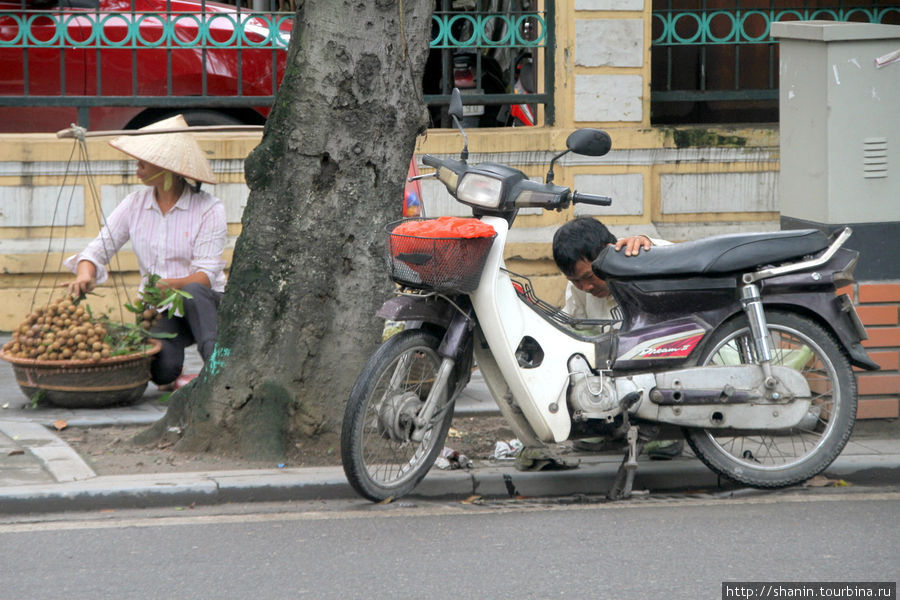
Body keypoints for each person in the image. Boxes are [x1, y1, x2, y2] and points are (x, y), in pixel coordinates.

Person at [64, 114, 227, 389]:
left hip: (207, 306)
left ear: (167, 168)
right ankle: (179, 375)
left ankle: (219, 372)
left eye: (144, 161)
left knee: (195, 294)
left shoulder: (209, 209)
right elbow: (98, 249)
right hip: (163, 309)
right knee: (162, 370)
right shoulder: (135, 205)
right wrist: (84, 273)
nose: (137, 166)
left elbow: (206, 277)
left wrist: (166, 284)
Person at [515, 217, 682, 470]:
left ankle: (666, 432)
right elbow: (569, 334)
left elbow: (682, 260)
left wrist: (649, 245)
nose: (586, 286)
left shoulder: (640, 260)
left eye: (589, 276)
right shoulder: (581, 291)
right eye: (575, 281)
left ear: (608, 251)